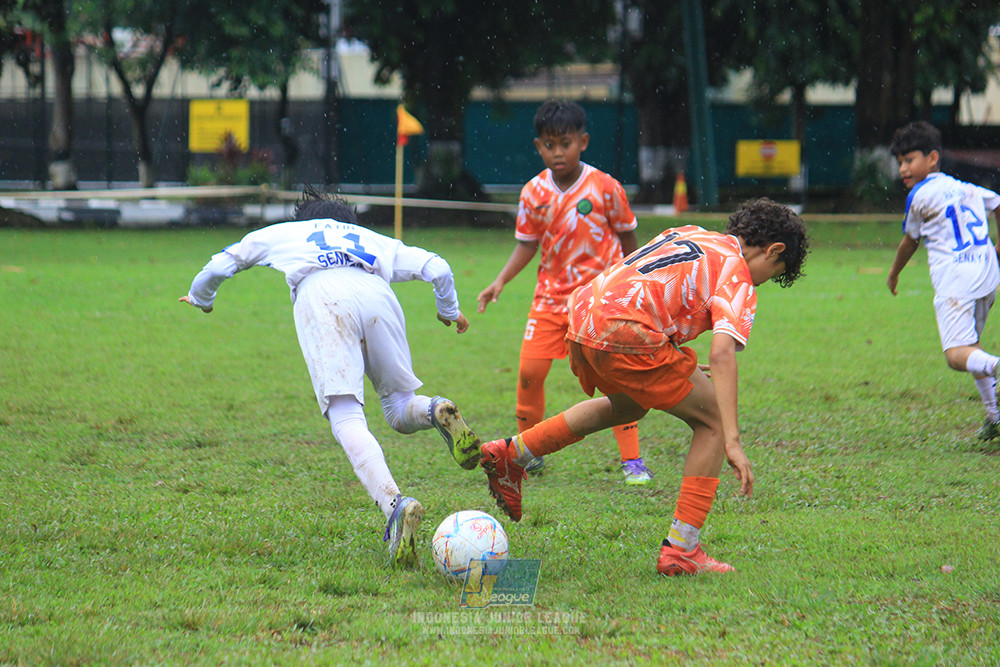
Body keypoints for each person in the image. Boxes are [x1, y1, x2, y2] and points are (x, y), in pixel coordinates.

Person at [479, 198, 809, 576]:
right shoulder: (738, 274)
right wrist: (733, 439)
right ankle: (682, 550)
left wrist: (662, 353)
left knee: (629, 406)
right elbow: (722, 355)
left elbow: (652, 285)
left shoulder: (691, 234)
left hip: (584, 316)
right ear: (774, 250)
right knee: (714, 421)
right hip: (626, 331)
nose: (763, 282)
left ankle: (512, 454)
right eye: (774, 272)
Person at [178, 188, 482, 568]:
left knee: (346, 414)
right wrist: (448, 309)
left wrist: (200, 297)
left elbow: (225, 262)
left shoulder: (287, 233)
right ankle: (435, 408)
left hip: (322, 295)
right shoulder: (371, 240)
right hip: (377, 293)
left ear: (303, 218)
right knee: (399, 407)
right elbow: (437, 267)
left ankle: (395, 505)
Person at [477, 99, 650, 484]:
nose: (558, 152)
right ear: (538, 146)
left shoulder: (606, 187)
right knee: (528, 374)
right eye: (550, 144)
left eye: (566, 143)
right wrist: (500, 280)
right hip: (549, 301)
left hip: (600, 304)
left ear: (583, 142)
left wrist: (634, 282)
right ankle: (527, 452)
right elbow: (527, 244)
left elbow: (629, 239)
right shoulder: (532, 193)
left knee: (617, 381)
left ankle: (633, 462)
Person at [887, 121, 1000, 441]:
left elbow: (910, 241)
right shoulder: (964, 187)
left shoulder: (919, 195)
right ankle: (995, 416)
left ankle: (997, 367)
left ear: (932, 158)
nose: (903, 169)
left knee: (955, 355)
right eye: (899, 163)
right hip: (987, 273)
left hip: (957, 282)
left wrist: (894, 273)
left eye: (909, 160)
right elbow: (997, 202)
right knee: (971, 348)